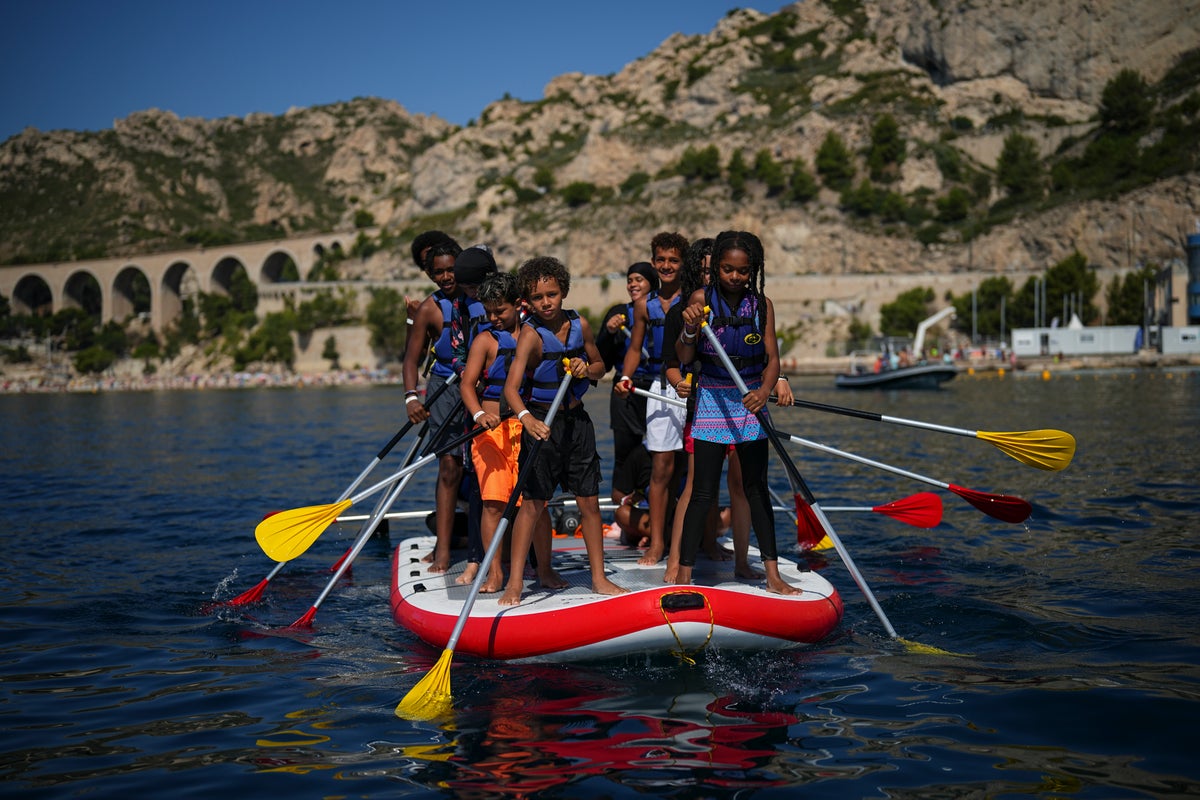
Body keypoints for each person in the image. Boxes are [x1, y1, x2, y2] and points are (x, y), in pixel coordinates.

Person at [674, 230, 799, 595]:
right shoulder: (700, 298)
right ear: (715, 268)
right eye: (726, 269)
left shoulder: (762, 306)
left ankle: (772, 574)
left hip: (749, 400)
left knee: (756, 488)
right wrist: (688, 328)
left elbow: (772, 359)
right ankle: (684, 574)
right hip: (712, 397)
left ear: (752, 271)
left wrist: (763, 391)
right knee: (702, 491)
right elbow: (684, 358)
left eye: (742, 271)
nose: (734, 277)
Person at [502, 256, 629, 606]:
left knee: (588, 502)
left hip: (577, 422)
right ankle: (515, 583)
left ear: (563, 292)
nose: (547, 302)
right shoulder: (530, 336)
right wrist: (527, 419)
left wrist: (586, 368)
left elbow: (601, 367)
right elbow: (510, 390)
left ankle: (599, 578)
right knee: (533, 504)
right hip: (541, 423)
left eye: (552, 294)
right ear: (528, 300)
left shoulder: (580, 325)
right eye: (539, 296)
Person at [458, 271, 553, 592]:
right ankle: (495, 572)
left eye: (500, 311)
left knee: (536, 505)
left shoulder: (534, 335)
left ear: (518, 304)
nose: (493, 317)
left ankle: (545, 570)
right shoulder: (485, 341)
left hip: (526, 430)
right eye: (488, 312)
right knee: (493, 504)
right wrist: (479, 413)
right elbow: (467, 385)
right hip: (491, 434)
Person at [402, 238, 483, 573]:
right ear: (431, 275)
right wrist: (411, 397)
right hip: (445, 387)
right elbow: (411, 358)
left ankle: (483, 547)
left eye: (452, 269)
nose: (448, 276)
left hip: (482, 386)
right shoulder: (428, 309)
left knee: (483, 469)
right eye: (440, 272)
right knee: (449, 469)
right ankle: (444, 550)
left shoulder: (479, 297)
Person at [614, 232, 689, 566]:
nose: (666, 266)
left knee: (698, 469)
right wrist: (625, 377)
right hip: (660, 389)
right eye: (661, 260)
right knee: (661, 466)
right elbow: (634, 348)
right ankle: (657, 544)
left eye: (673, 260)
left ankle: (695, 543)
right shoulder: (644, 306)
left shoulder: (696, 300)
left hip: (694, 387)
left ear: (683, 263)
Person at [595, 262, 659, 491]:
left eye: (639, 279)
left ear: (652, 283)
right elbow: (602, 359)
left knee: (658, 451)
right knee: (625, 451)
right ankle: (621, 501)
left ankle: (654, 500)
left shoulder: (665, 309)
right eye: (630, 280)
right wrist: (609, 332)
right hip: (626, 388)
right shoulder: (618, 313)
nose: (633, 284)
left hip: (657, 388)